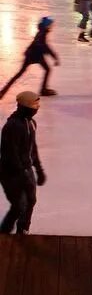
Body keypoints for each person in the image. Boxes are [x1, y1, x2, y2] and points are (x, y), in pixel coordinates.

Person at [0, 91, 47, 235]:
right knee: (19, 205)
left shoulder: (31, 123)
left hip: (26, 170)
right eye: (34, 105)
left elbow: (32, 149)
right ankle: (4, 232)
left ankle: (23, 229)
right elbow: (10, 154)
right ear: (24, 106)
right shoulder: (12, 127)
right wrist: (22, 175)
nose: (37, 108)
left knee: (31, 201)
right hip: (10, 173)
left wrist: (38, 169)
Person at [0, 18, 60, 99]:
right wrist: (54, 56)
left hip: (33, 54)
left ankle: (3, 91)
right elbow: (44, 46)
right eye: (50, 25)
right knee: (45, 69)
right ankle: (43, 90)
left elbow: (42, 46)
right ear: (46, 26)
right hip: (34, 55)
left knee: (21, 74)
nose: (51, 27)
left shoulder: (42, 32)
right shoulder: (42, 34)